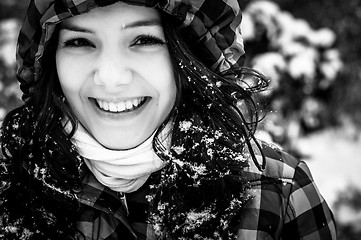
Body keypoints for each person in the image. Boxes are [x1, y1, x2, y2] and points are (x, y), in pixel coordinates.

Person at [0, 0, 337, 239]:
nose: (110, 77)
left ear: (190, 57)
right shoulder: (7, 185)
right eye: (79, 42)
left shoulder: (280, 194)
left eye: (144, 40)